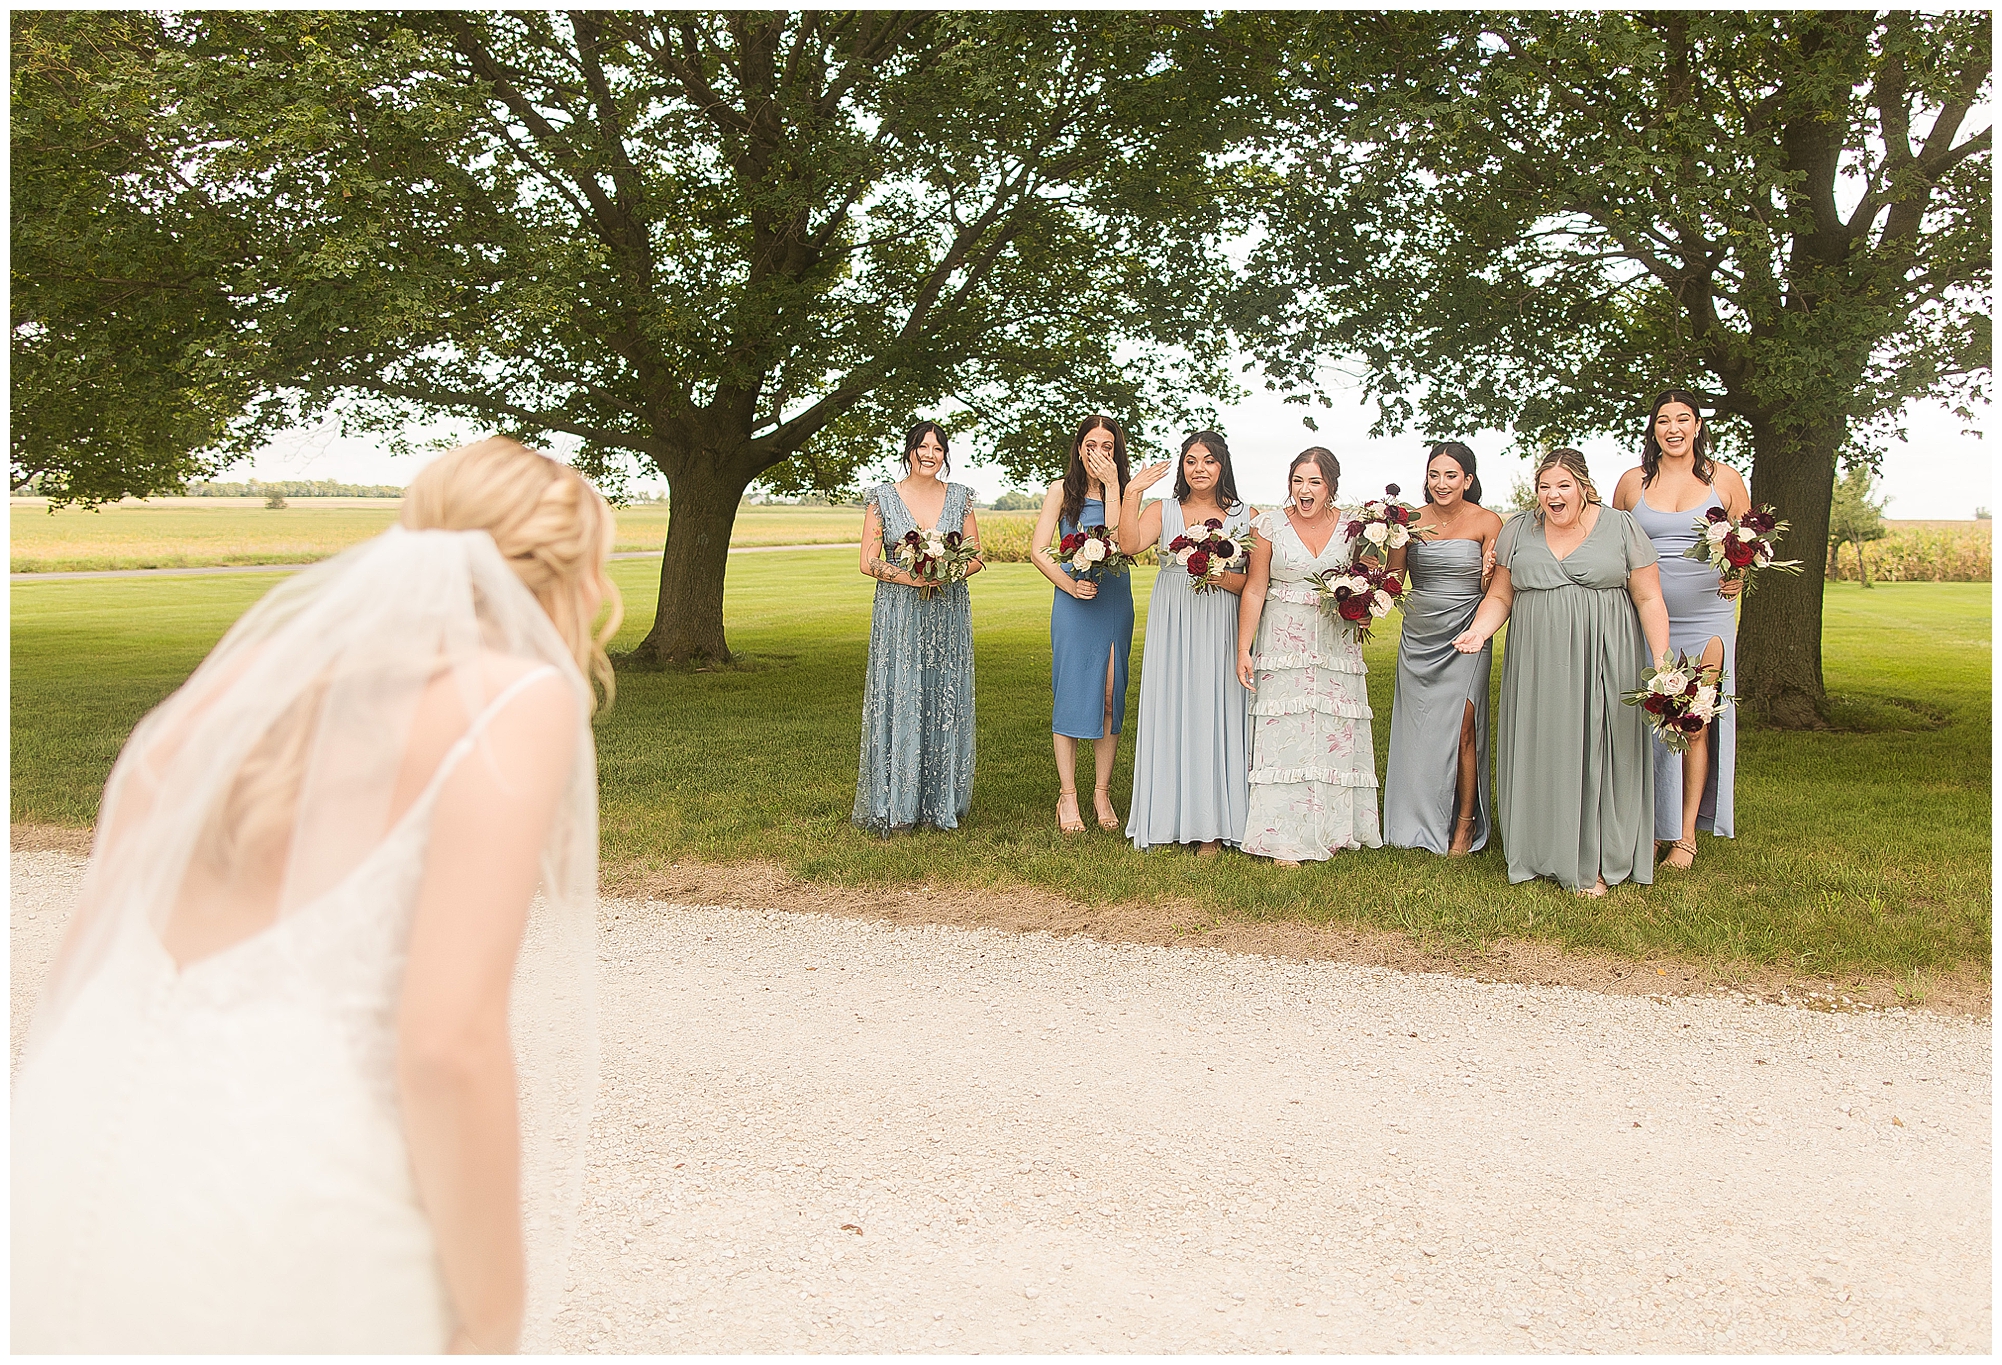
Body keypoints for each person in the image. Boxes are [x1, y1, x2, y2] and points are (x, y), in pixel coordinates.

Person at [12, 436, 620, 1351]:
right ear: (562, 574)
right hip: (282, 1193)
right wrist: (493, 1315)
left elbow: (83, 964)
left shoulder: (239, 684)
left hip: (69, 1143)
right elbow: (446, 1044)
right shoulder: (511, 698)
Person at [1453, 449, 1671, 896]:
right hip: (1538, 661)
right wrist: (1478, 631)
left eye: (1563, 485)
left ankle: (1597, 858)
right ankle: (1543, 851)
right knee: (1545, 746)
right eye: (1544, 487)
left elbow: (1649, 597)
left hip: (1607, 656)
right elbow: (1501, 596)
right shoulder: (1518, 530)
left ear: (1584, 488)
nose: (1553, 495)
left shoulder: (1621, 527)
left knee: (1601, 746)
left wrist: (1662, 662)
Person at [1611, 391, 1749, 870]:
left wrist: (1739, 574)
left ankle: (1685, 835)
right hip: (1646, 620)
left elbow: (1746, 545)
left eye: (1683, 419)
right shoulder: (1632, 483)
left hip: (1707, 617)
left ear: (1697, 426)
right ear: (1653, 429)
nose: (1673, 429)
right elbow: (1610, 542)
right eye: (1664, 420)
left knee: (1695, 721)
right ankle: (1651, 827)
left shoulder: (1724, 480)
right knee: (1650, 722)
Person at [1235, 447, 1382, 864]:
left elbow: (1368, 578)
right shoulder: (1268, 526)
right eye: (1298, 480)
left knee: (1334, 730)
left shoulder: (1354, 528)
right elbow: (1255, 588)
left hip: (1335, 642)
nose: (1304, 489)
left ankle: (1336, 828)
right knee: (1285, 733)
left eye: (1314, 481)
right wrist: (1244, 647)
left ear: (1330, 486)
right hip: (1284, 643)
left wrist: (1366, 608)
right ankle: (1282, 837)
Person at [1117, 430, 1257, 856]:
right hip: (1174, 619)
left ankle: (1213, 825)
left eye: (1209, 461)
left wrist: (1219, 575)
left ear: (1222, 466)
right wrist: (1132, 493)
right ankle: (1170, 816)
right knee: (1174, 706)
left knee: (1215, 709)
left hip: (1221, 621)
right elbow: (1128, 544)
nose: (1199, 469)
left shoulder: (1245, 516)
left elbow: (1254, 584)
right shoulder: (1163, 510)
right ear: (1181, 467)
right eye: (1191, 460)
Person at [853, 420, 983, 834]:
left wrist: (946, 571)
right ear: (909, 451)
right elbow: (868, 560)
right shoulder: (882, 498)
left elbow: (977, 557)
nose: (930, 454)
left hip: (947, 611)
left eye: (938, 448)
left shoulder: (960, 498)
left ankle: (939, 803)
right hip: (900, 613)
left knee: (943, 695)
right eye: (922, 447)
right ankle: (899, 804)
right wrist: (913, 578)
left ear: (945, 455)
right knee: (903, 694)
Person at [1383, 442, 1504, 856]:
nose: (1441, 483)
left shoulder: (1488, 521)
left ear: (1467, 479)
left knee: (1464, 726)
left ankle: (1465, 823)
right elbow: (1394, 580)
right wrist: (1365, 579)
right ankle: (1415, 819)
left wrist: (1487, 575)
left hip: (1469, 634)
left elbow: (1495, 589)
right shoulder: (1409, 521)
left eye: (1451, 475)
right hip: (1420, 635)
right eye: (1434, 474)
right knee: (1420, 731)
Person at [1030, 414, 1134, 832]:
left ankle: (1101, 793)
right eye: (1091, 445)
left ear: (1116, 452)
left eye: (1108, 446)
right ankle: (1068, 795)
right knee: (1071, 693)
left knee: (1110, 694)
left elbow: (1119, 542)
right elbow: (1039, 550)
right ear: (1079, 449)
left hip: (1113, 600)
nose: (1099, 453)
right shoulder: (1061, 490)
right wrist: (1070, 586)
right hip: (1074, 602)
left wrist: (1113, 487)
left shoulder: (1125, 491)